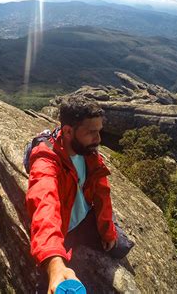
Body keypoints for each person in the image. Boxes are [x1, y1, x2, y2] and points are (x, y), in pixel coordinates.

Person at [25, 95, 134, 293]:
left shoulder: (89, 152)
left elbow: (102, 191)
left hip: (85, 218)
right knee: (47, 286)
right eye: (92, 132)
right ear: (67, 131)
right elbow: (44, 205)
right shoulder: (46, 161)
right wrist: (54, 263)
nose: (99, 139)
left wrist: (107, 231)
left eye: (99, 131)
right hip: (63, 228)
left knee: (121, 247)